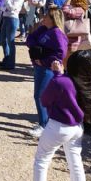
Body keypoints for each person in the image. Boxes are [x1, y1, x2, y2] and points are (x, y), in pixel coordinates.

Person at [14, 52, 91, 181]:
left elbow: (45, 100)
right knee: (75, 161)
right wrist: (59, 75)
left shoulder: (62, 81)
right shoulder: (86, 83)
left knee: (42, 159)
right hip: (77, 128)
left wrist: (56, 76)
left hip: (58, 126)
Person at [25, 7, 68, 139]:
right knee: (40, 96)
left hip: (47, 69)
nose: (43, 18)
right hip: (39, 68)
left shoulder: (57, 33)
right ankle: (46, 124)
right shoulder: (44, 29)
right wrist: (37, 48)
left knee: (40, 96)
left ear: (53, 19)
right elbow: (29, 39)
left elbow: (61, 53)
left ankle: (44, 125)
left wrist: (44, 61)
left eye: (46, 17)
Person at [0, 0, 24, 70]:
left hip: (12, 19)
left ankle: (10, 63)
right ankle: (7, 59)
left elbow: (12, 8)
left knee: (10, 41)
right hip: (6, 18)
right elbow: (3, 7)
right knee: (3, 39)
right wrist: (7, 3)